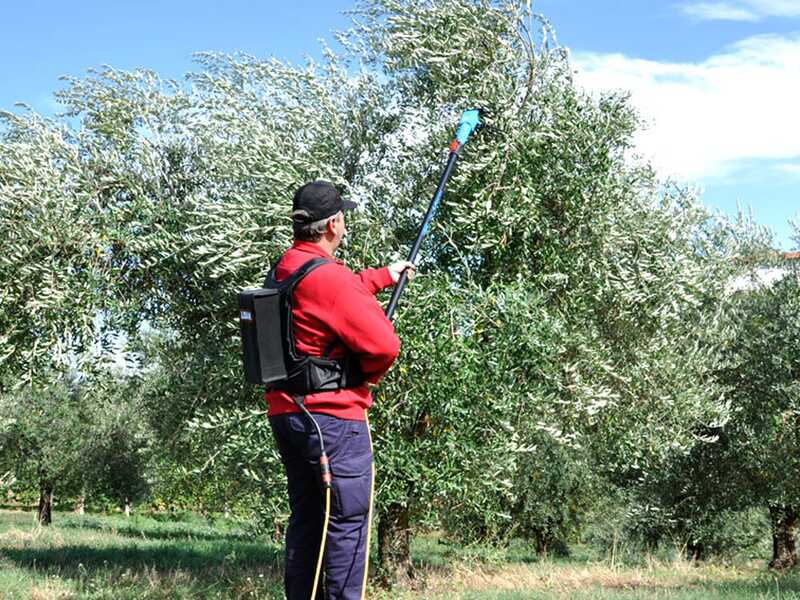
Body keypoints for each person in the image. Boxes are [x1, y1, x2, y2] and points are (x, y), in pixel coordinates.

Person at [266, 180, 413, 600]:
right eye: (343, 216)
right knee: (347, 522)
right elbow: (385, 345)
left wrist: (384, 276)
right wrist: (363, 378)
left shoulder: (286, 267)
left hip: (288, 415)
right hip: (333, 420)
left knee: (308, 521)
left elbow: (325, 296)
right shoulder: (331, 277)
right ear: (333, 224)